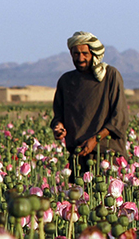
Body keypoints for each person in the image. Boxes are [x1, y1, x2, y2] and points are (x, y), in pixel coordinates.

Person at [51, 31, 129, 176]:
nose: (80, 58)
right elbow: (58, 115)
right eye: (76, 54)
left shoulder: (110, 76)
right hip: (78, 156)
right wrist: (58, 127)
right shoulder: (66, 81)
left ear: (93, 53)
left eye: (84, 53)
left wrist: (95, 140)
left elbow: (119, 117)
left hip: (107, 156)